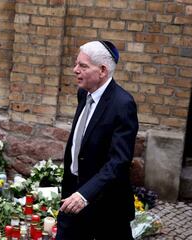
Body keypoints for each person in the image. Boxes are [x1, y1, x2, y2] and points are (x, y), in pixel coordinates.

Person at [56, 40, 138, 239]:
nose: (75, 70)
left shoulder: (123, 104)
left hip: (106, 204)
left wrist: (86, 194)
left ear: (102, 70)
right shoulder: (83, 93)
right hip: (73, 196)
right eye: (76, 64)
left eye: (83, 66)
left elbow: (119, 161)